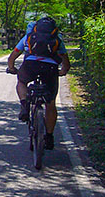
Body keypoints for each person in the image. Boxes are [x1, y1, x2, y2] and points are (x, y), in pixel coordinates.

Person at [6, 16, 71, 149]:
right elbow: (66, 62)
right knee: (50, 103)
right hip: (50, 69)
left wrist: (12, 68)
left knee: (21, 82)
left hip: (30, 65)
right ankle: (49, 136)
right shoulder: (57, 39)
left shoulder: (28, 37)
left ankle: (24, 105)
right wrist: (62, 71)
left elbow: (13, 55)